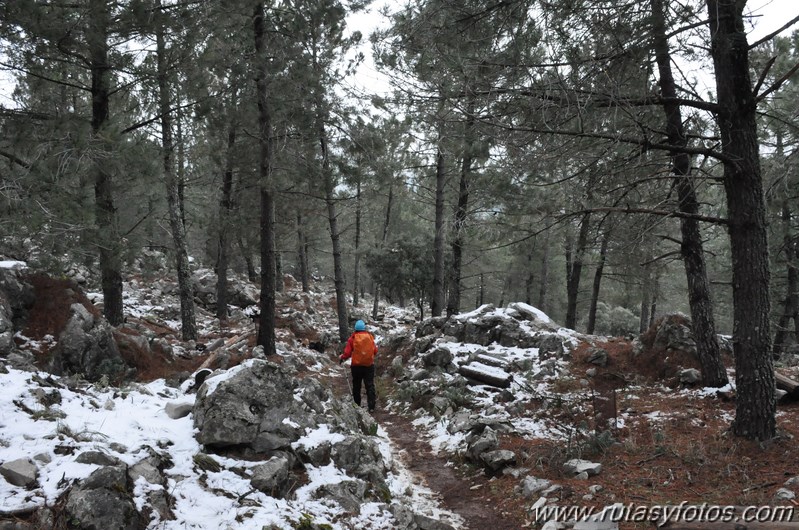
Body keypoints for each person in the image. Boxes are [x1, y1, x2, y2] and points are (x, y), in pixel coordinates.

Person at [339, 319, 378, 412]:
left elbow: (347, 353)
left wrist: (342, 357)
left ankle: (357, 405)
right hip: (369, 365)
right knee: (370, 385)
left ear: (355, 329)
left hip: (356, 366)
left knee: (356, 385)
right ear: (364, 328)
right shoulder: (370, 337)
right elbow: (375, 351)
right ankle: (371, 406)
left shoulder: (352, 338)